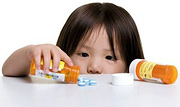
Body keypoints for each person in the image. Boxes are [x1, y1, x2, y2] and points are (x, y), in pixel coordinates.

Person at [2, 2, 144, 76]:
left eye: (109, 57)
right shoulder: (59, 77)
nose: (94, 68)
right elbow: (8, 70)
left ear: (129, 66)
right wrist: (30, 53)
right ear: (64, 53)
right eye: (83, 54)